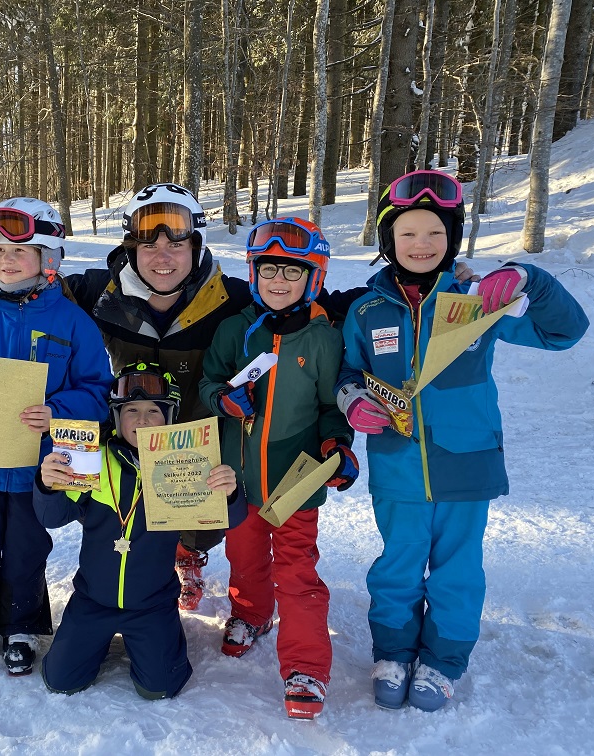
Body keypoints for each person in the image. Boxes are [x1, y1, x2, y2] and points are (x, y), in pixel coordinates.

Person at [336, 169, 589, 712]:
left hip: (467, 461)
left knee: (457, 570)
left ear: (452, 238)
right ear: (388, 240)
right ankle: (394, 652)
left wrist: (531, 281)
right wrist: (352, 400)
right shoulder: (367, 310)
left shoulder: (477, 300)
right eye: (408, 233)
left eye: (435, 232)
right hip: (397, 465)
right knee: (398, 565)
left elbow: (563, 333)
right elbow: (348, 372)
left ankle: (443, 661)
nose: (422, 244)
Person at [65, 183, 370, 612]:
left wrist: (417, 282)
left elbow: (309, 301)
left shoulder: (230, 298)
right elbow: (29, 285)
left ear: (196, 246)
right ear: (131, 249)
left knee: (204, 518)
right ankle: (141, 566)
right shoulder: (101, 293)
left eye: (177, 244)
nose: (163, 257)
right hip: (135, 422)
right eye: (149, 246)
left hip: (202, 429)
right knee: (134, 504)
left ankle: (189, 554)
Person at [0, 197, 113, 682]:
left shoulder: (73, 323)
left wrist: (57, 411)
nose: (6, 260)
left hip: (39, 469)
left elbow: (98, 392)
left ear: (48, 258)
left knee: (26, 552)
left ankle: (22, 627)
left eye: (19, 251)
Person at [199, 217, 357, 720]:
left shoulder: (323, 338)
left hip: (296, 482)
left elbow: (332, 407)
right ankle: (251, 614)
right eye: (268, 270)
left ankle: (306, 667)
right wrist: (224, 400)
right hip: (239, 477)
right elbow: (208, 382)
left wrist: (338, 443)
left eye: (292, 271)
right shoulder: (234, 329)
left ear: (313, 277)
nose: (279, 281)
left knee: (297, 571)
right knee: (243, 555)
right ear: (254, 273)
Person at [34, 362, 247, 699]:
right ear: (116, 417)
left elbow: (227, 520)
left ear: (169, 418)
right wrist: (47, 485)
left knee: (160, 688)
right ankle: (93, 640)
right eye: (131, 410)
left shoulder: (186, 466)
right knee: (60, 681)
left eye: (153, 411)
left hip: (151, 604)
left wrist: (229, 493)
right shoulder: (93, 459)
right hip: (93, 600)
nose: (142, 420)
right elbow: (52, 516)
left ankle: (156, 639)